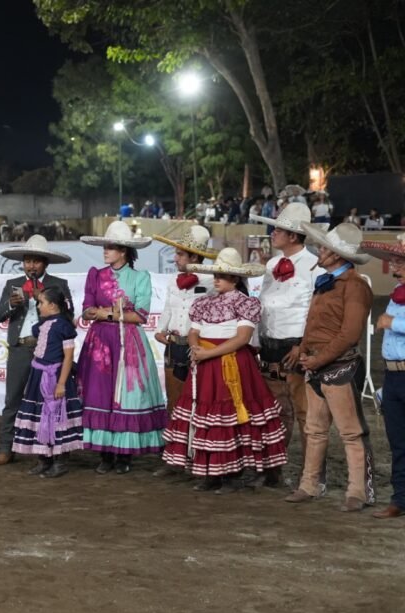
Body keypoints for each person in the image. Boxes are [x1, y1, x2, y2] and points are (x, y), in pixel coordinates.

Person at [161, 249, 288, 493]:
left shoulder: (246, 303)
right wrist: (196, 347)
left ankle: (231, 474)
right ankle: (212, 473)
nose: (216, 280)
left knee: (230, 415)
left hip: (233, 364)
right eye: (216, 276)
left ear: (235, 279)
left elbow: (242, 338)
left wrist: (207, 353)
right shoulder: (203, 303)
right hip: (206, 365)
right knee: (207, 416)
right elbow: (194, 331)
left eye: (222, 276)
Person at [285, 223, 375, 512]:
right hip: (321, 364)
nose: (319, 251)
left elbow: (350, 334)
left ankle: (358, 491)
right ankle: (310, 484)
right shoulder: (329, 282)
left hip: (337, 366)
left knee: (350, 431)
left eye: (324, 248)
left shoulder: (355, 286)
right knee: (315, 429)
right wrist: (304, 348)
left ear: (336, 254)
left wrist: (317, 358)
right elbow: (315, 324)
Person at [78, 221, 168, 474]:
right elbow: (86, 310)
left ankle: (124, 455)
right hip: (100, 344)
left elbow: (140, 315)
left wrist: (106, 314)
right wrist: (104, 313)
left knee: (128, 396)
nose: (105, 251)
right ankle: (105, 454)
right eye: (105, 247)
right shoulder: (95, 275)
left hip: (128, 343)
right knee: (100, 394)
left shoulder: (140, 278)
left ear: (124, 251)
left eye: (111, 247)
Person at [250, 202, 319, 486]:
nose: (273, 233)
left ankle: (311, 474)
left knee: (304, 412)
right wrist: (257, 340)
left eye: (278, 230)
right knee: (274, 410)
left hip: (296, 346)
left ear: (292, 235)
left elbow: (315, 311)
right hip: (270, 345)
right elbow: (263, 307)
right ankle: (273, 470)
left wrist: (303, 344)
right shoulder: (271, 265)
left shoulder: (314, 266)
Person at [0, 235, 72, 466]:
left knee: (50, 401)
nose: (31, 266)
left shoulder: (58, 284)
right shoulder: (13, 284)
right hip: (20, 348)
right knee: (13, 399)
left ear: (45, 263)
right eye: (27, 261)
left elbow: (68, 317)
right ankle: (7, 448)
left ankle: (54, 448)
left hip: (49, 352)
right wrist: (11, 304)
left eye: (36, 261)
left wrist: (43, 300)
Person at [11, 286, 83, 478]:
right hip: (38, 376)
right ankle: (44, 459)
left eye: (41, 302)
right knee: (39, 416)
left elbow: (68, 357)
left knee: (57, 416)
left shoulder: (64, 327)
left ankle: (60, 462)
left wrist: (61, 383)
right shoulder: (43, 325)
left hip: (55, 377)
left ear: (52, 305)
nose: (38, 306)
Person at [361, 234, 405, 518]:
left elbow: (392, 325)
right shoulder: (397, 295)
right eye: (395, 262)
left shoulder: (394, 303)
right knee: (398, 443)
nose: (395, 267)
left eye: (400, 262)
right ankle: (400, 498)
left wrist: (394, 322)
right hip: (393, 376)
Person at [152, 225, 217, 416]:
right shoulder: (174, 279)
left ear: (194, 257)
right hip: (174, 345)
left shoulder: (213, 281)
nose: (175, 258)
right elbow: (168, 307)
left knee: (200, 398)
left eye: (180, 254)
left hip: (199, 346)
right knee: (174, 398)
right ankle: (175, 433)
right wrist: (160, 329)